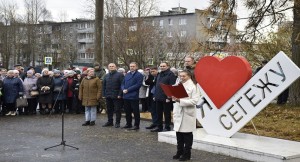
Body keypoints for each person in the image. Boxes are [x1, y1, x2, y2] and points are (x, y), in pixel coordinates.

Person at [171, 70, 201, 161]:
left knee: (187, 135)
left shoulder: (193, 87)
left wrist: (180, 101)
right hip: (178, 111)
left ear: (189, 76)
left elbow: (195, 101)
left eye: (184, 76)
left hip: (187, 113)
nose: (182, 78)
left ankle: (187, 154)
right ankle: (179, 151)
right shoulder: (179, 85)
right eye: (180, 76)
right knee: (179, 134)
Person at [151, 62, 177, 132]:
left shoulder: (171, 74)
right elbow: (156, 85)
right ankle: (159, 126)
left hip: (166, 97)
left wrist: (169, 97)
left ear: (168, 66)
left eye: (164, 66)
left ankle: (167, 127)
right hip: (158, 96)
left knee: (167, 113)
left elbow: (172, 86)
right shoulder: (159, 74)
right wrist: (155, 95)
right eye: (161, 66)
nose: (162, 67)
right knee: (158, 113)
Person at [121, 62, 143, 130]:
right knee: (127, 111)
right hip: (126, 96)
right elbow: (122, 83)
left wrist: (128, 90)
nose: (132, 67)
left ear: (136, 67)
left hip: (134, 96)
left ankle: (136, 125)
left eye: (133, 66)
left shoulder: (139, 75)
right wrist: (123, 89)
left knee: (135, 111)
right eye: (130, 66)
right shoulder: (127, 74)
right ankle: (128, 124)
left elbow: (138, 85)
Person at [102, 63, 124, 128]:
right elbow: (104, 86)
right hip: (108, 95)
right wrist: (104, 94)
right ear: (108, 67)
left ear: (115, 67)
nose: (111, 67)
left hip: (117, 95)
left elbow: (122, 86)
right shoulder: (106, 75)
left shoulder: (120, 75)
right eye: (110, 66)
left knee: (117, 110)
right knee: (109, 109)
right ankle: (110, 121)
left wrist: (120, 94)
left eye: (113, 66)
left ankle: (117, 122)